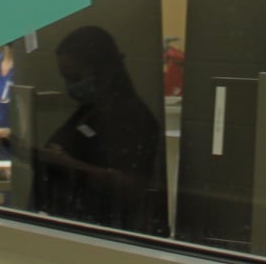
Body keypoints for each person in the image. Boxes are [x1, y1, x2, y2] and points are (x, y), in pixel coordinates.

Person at [32, 25, 168, 235]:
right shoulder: (89, 111)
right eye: (66, 78)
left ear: (103, 69)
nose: (70, 86)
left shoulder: (133, 117)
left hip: (106, 233)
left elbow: (133, 187)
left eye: (76, 78)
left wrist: (70, 165)